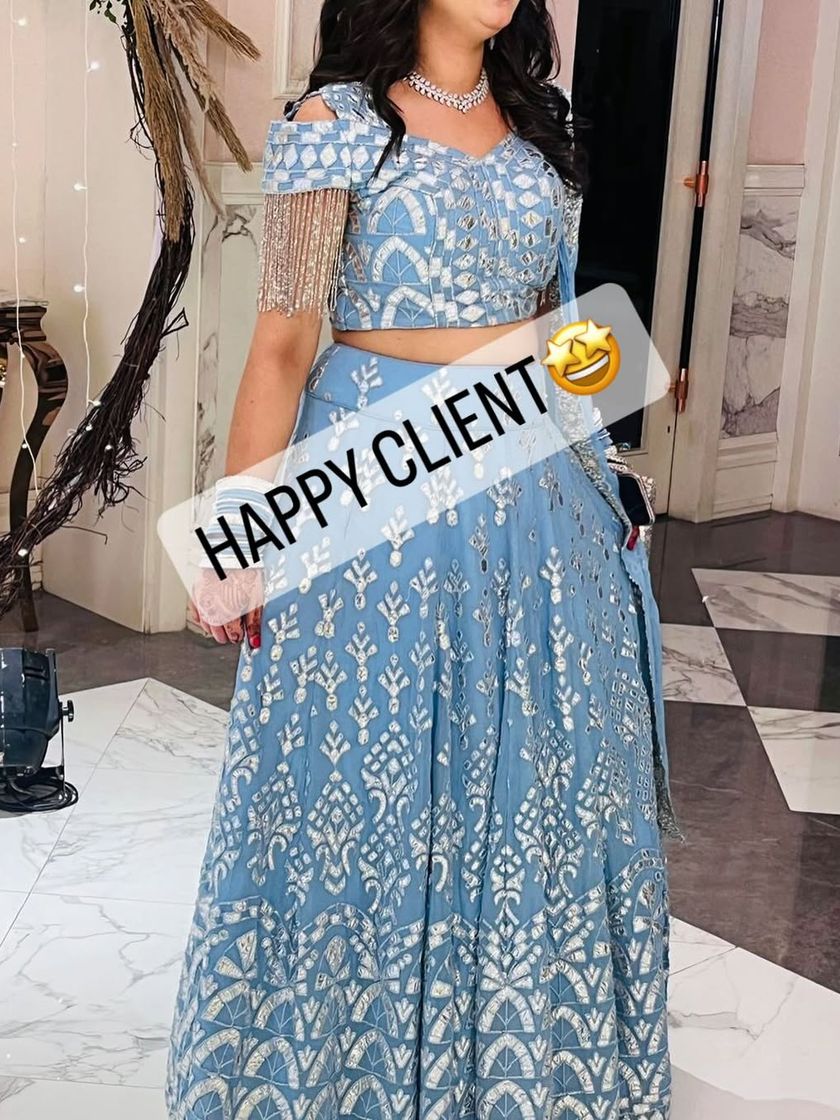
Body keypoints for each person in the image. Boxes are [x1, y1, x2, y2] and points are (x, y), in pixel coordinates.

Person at [166, 1, 678, 1116]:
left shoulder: (540, 124)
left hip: (540, 509)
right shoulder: (337, 123)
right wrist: (240, 533)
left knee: (532, 789)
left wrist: (608, 464)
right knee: (366, 783)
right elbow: (284, 342)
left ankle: (517, 1070)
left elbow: (556, 327)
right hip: (376, 505)